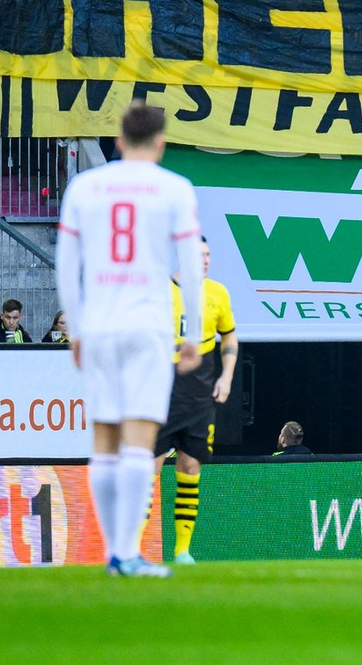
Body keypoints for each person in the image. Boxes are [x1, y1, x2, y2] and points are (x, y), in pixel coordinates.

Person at [56, 103, 203, 579]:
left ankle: (113, 552)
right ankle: (125, 554)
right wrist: (193, 334)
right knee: (140, 441)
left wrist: (74, 328)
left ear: (117, 141)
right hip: (148, 326)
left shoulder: (85, 186)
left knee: (103, 439)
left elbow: (66, 264)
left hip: (98, 323)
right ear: (160, 143)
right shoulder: (175, 189)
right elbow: (191, 269)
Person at [152, 235, 238, 565]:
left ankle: (182, 550)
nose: (205, 260)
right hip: (161, 393)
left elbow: (229, 333)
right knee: (150, 469)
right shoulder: (159, 292)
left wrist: (226, 375)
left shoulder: (217, 293)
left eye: (208, 254)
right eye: (199, 255)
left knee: (191, 467)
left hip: (199, 396)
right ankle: (135, 547)